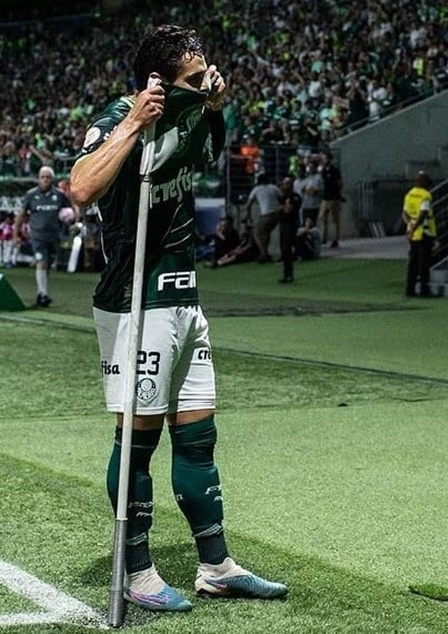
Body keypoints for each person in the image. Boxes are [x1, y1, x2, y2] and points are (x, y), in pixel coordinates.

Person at [68, 24, 287, 613]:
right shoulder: (121, 113)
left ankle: (215, 566)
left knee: (198, 439)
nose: (206, 81)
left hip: (185, 297)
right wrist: (136, 122)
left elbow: (209, 153)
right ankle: (136, 571)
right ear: (160, 80)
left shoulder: (194, 114)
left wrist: (212, 106)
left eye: (207, 70)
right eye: (194, 77)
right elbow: (81, 187)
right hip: (135, 301)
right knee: (139, 442)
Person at [17, 166, 70, 307]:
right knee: (42, 262)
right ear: (39, 179)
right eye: (43, 177)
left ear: (52, 179)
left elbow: (70, 209)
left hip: (54, 236)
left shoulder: (60, 195)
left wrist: (72, 217)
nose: (45, 180)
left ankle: (41, 293)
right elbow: (22, 214)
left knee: (47, 265)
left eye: (48, 177)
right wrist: (15, 233)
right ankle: (44, 294)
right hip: (37, 235)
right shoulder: (31, 195)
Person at [404, 171, 437, 297]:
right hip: (424, 232)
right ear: (423, 182)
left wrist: (410, 226)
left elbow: (405, 214)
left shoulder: (409, 194)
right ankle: (424, 289)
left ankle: (410, 289)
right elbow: (423, 214)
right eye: (427, 181)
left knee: (413, 261)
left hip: (412, 234)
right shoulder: (425, 195)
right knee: (424, 263)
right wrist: (415, 227)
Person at [245, 175, 281, 262]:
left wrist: (248, 216)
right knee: (266, 233)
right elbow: (282, 197)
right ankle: (265, 252)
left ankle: (263, 254)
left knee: (256, 233)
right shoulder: (274, 187)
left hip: (266, 214)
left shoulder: (257, 189)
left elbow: (248, 205)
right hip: (276, 215)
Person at [276, 176, 302, 283]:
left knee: (287, 247)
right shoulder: (282, 198)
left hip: (291, 224)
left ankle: (289, 273)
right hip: (283, 224)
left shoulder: (295, 197)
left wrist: (282, 208)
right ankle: (286, 273)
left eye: (286, 184)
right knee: (284, 248)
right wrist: (282, 208)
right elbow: (277, 209)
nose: (284, 186)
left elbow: (288, 210)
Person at [318, 152, 344, 248]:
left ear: (329, 159)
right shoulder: (323, 171)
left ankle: (335, 239)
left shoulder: (335, 170)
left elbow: (340, 183)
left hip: (334, 197)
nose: (324, 160)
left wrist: (338, 192)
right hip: (325, 197)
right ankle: (323, 237)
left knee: (334, 219)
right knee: (322, 217)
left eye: (325, 158)